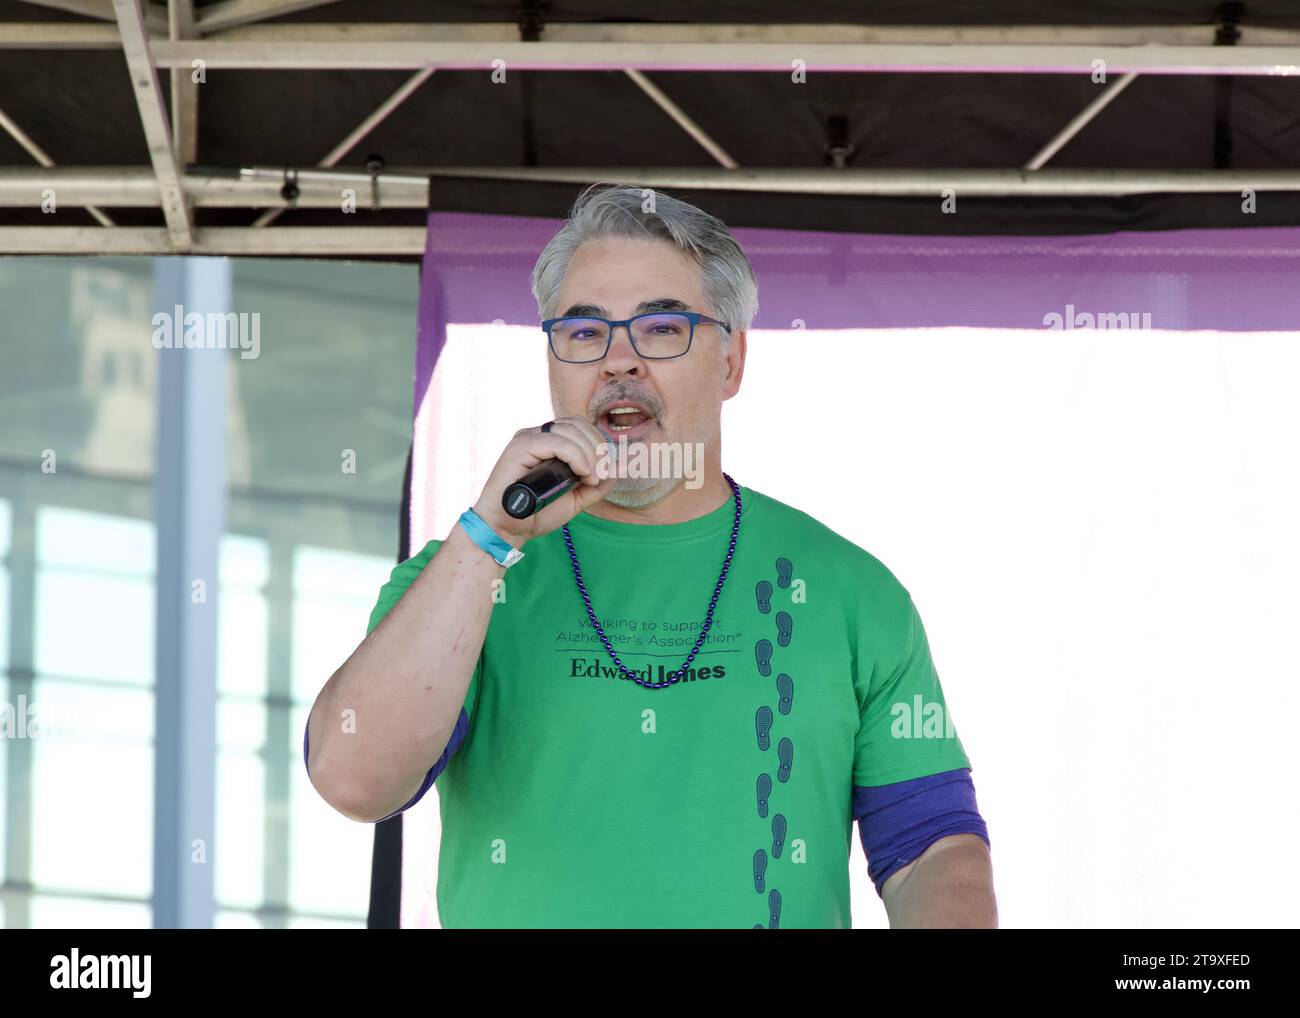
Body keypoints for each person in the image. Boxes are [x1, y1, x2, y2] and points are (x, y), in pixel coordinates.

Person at [304, 183, 995, 929]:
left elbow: (930, 846)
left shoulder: (851, 591)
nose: (617, 362)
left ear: (730, 361)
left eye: (661, 328)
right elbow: (353, 778)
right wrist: (486, 538)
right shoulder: (464, 576)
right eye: (583, 332)